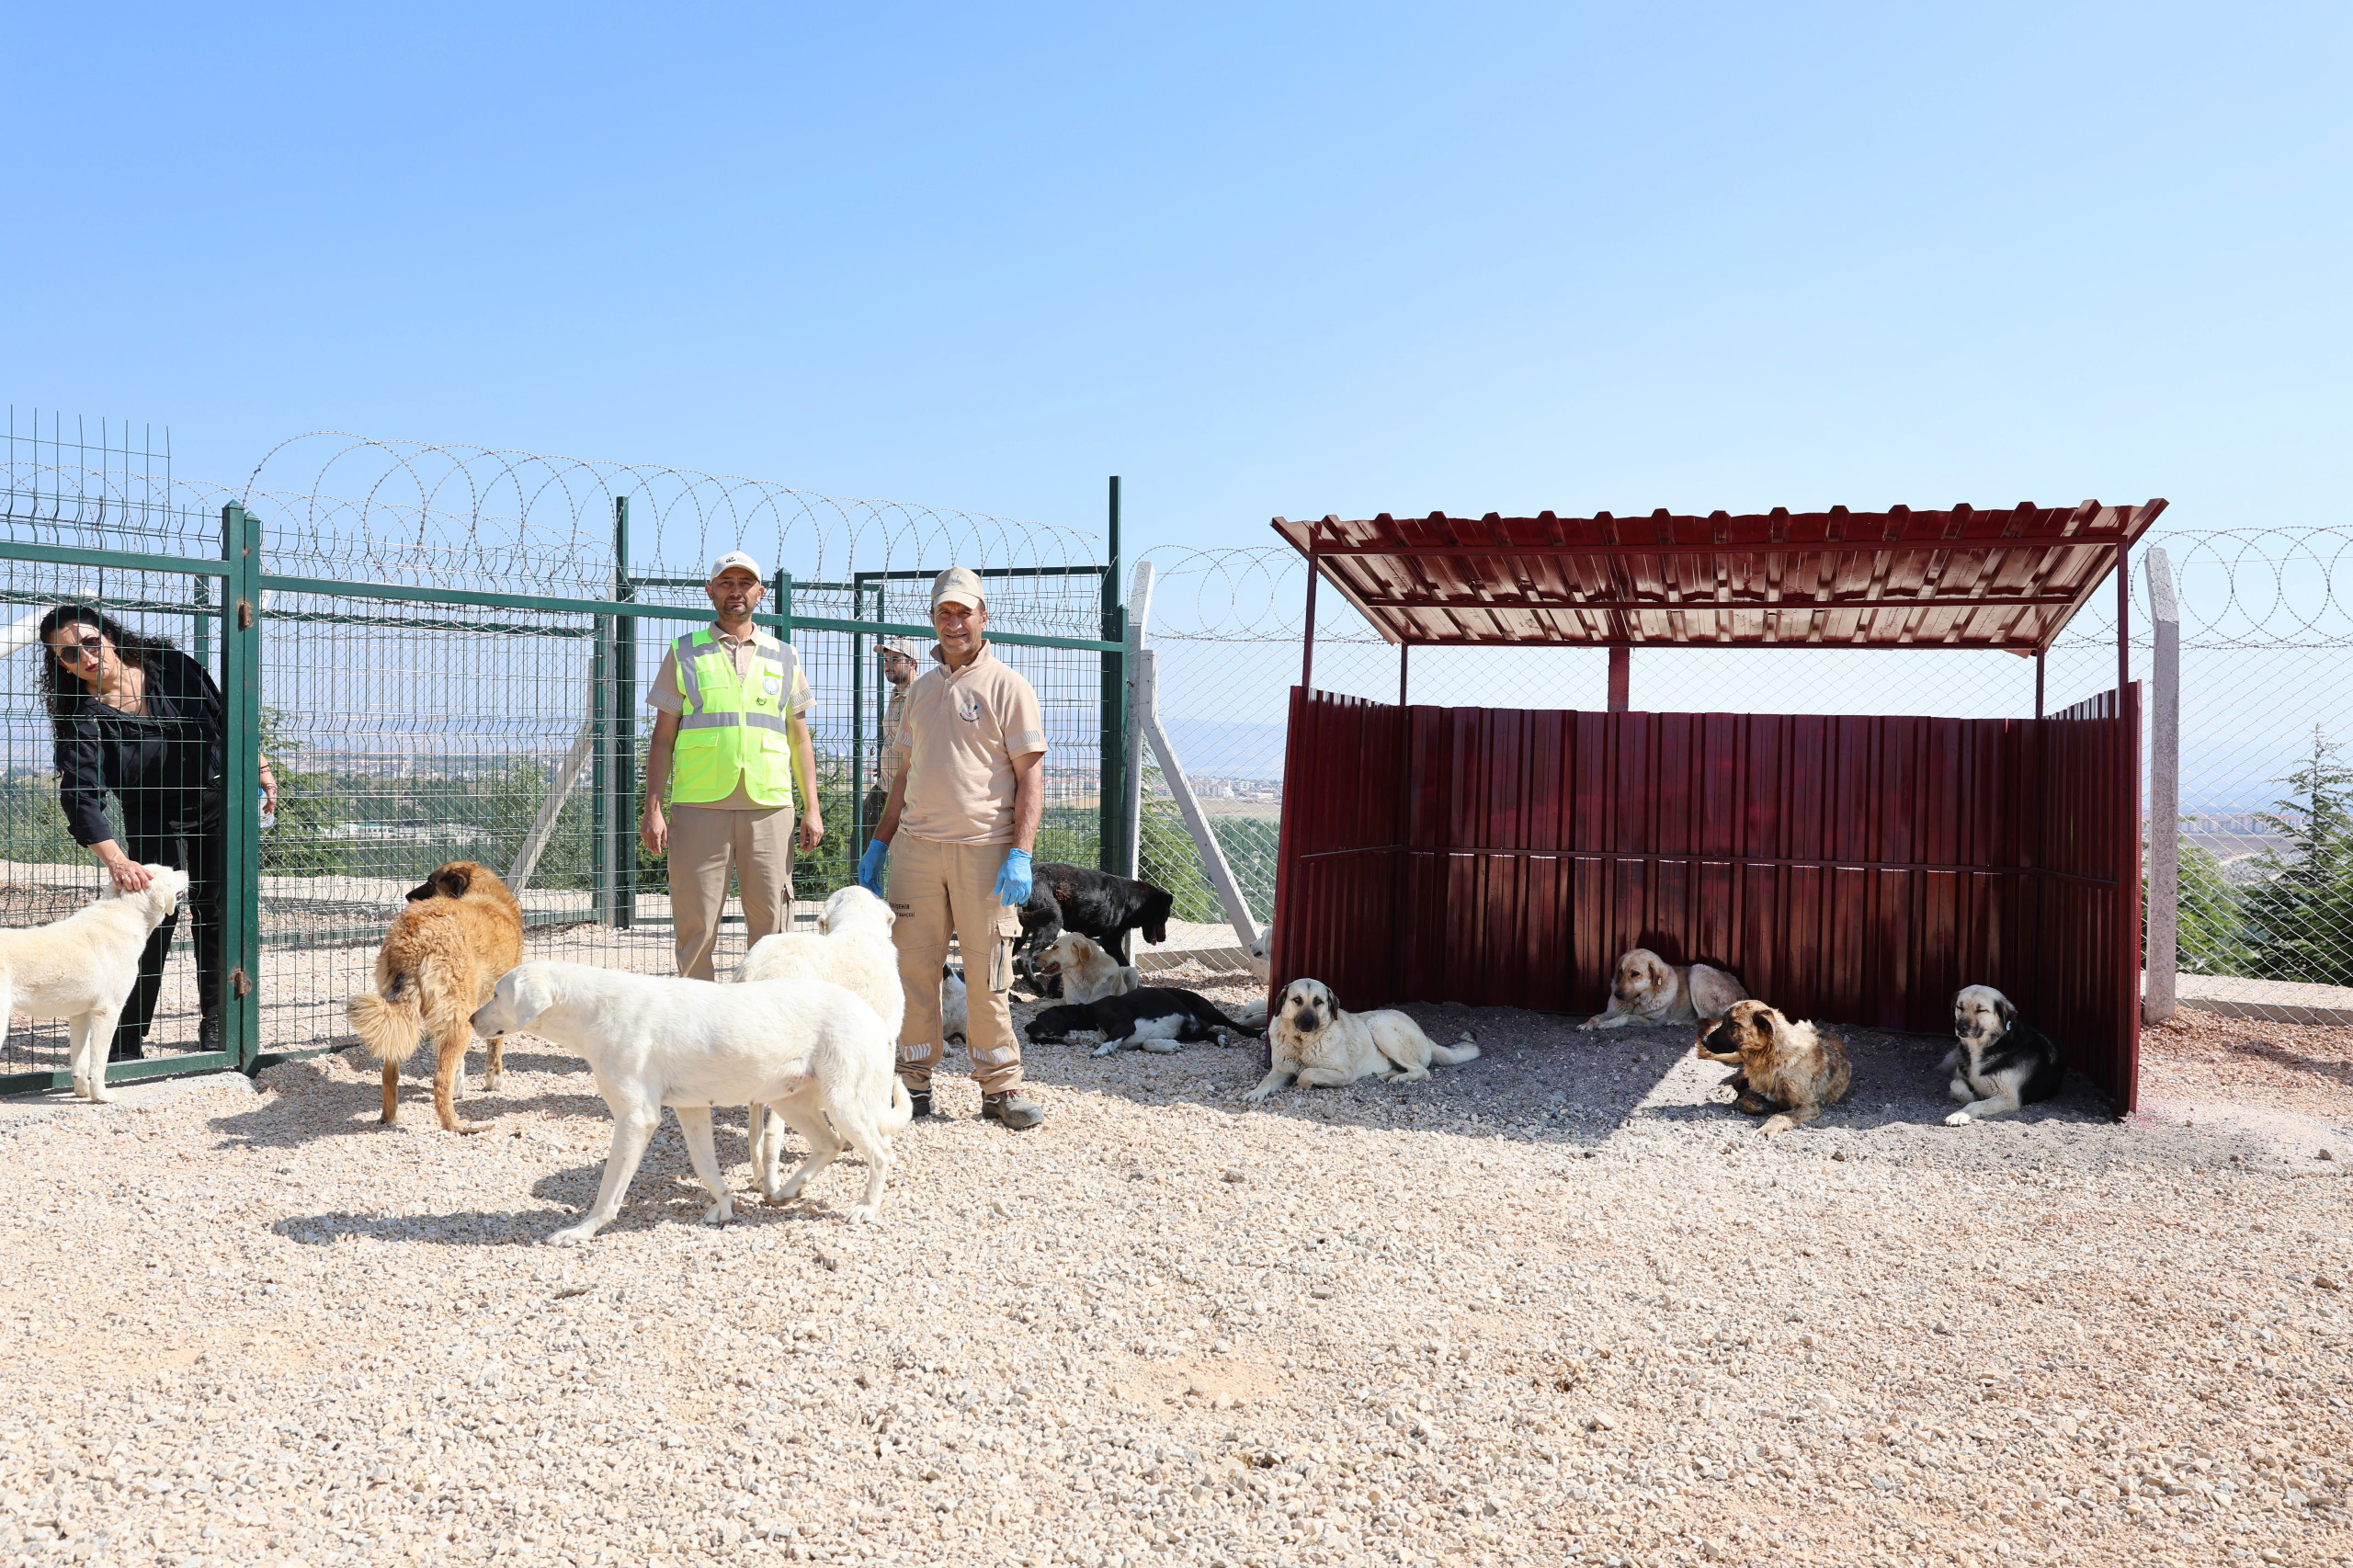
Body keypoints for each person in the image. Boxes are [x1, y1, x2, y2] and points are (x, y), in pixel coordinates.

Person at [38, 605, 278, 1059]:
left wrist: (260, 767)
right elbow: (80, 798)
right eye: (70, 654)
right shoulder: (82, 717)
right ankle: (126, 1037)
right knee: (150, 919)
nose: (86, 657)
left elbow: (227, 719)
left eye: (91, 642)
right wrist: (117, 860)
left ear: (110, 636)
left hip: (215, 801)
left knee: (217, 913)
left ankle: (219, 1024)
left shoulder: (169, 666)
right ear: (60, 664)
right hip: (150, 813)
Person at [858, 567, 1048, 1129]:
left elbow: (1031, 778)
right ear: (934, 620)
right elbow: (904, 775)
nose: (955, 622)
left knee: (991, 973)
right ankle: (912, 1086)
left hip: (985, 851)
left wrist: (1021, 852)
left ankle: (1001, 1087)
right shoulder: (918, 692)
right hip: (917, 851)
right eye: (945, 613)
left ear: (983, 617)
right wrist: (879, 843)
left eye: (964, 612)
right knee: (913, 971)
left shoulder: (1008, 687)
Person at [640, 551, 823, 981]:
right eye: (726, 583)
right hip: (700, 805)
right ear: (710, 591)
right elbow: (662, 737)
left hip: (770, 805)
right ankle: (698, 1033)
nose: (735, 591)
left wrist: (811, 807)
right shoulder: (684, 652)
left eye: (744, 584)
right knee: (696, 924)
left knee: (772, 932)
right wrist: (653, 808)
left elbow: (799, 737)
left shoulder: (785, 656)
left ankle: (765, 1030)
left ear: (760, 593)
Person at [861, 636, 920, 831]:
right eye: (886, 661)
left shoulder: (920, 696)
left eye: (895, 660)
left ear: (913, 663)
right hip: (885, 787)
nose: (888, 666)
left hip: (908, 793)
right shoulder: (897, 693)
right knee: (861, 842)